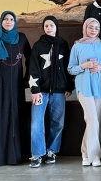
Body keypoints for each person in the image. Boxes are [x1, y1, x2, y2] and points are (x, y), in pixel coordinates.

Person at [0, 10, 31, 166]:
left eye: (11, 19)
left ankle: (18, 155)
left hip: (16, 86)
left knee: (16, 117)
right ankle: (1, 156)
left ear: (15, 22)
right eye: (6, 19)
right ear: (1, 21)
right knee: (1, 117)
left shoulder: (21, 38)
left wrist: (27, 78)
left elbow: (30, 57)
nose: (9, 21)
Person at [28, 16, 74, 168]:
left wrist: (69, 87)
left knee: (58, 123)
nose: (49, 28)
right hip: (40, 92)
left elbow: (68, 67)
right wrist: (35, 89)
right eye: (46, 25)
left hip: (59, 92)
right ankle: (37, 154)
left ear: (56, 27)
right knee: (36, 123)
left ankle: (51, 151)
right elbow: (33, 68)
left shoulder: (63, 45)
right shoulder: (38, 46)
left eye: (51, 25)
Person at [68, 18, 101, 166]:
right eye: (91, 27)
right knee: (92, 119)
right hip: (84, 87)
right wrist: (83, 66)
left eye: (96, 28)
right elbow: (70, 69)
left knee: (96, 120)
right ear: (85, 28)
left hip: (100, 87)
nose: (93, 30)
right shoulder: (77, 46)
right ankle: (94, 156)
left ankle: (85, 154)